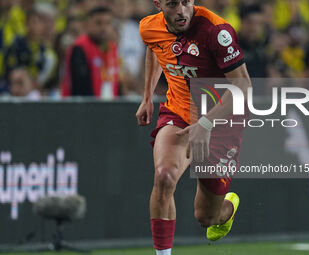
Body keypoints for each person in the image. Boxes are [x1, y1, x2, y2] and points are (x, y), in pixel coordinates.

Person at [136, 1, 251, 255]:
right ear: (158, 4)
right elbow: (155, 48)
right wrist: (147, 96)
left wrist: (207, 122)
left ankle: (227, 209)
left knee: (206, 217)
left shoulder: (216, 31)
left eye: (186, 1)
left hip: (221, 120)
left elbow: (243, 87)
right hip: (179, 112)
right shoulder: (148, 27)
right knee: (164, 176)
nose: (182, 10)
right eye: (172, 4)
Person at [61, 6, 119, 98]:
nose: (104, 28)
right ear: (88, 24)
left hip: (109, 106)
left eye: (108, 23)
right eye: (98, 23)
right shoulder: (79, 48)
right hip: (84, 108)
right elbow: (80, 88)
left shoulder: (112, 48)